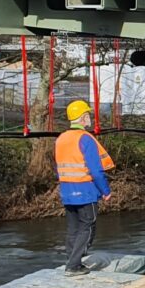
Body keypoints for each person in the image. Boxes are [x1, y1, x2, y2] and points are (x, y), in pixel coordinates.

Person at [55, 100, 114, 276]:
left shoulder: (61, 138)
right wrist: (106, 191)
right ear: (83, 118)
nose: (90, 118)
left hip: (67, 191)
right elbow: (96, 171)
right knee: (87, 227)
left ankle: (71, 260)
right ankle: (74, 265)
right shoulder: (85, 138)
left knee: (73, 228)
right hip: (86, 191)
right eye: (88, 115)